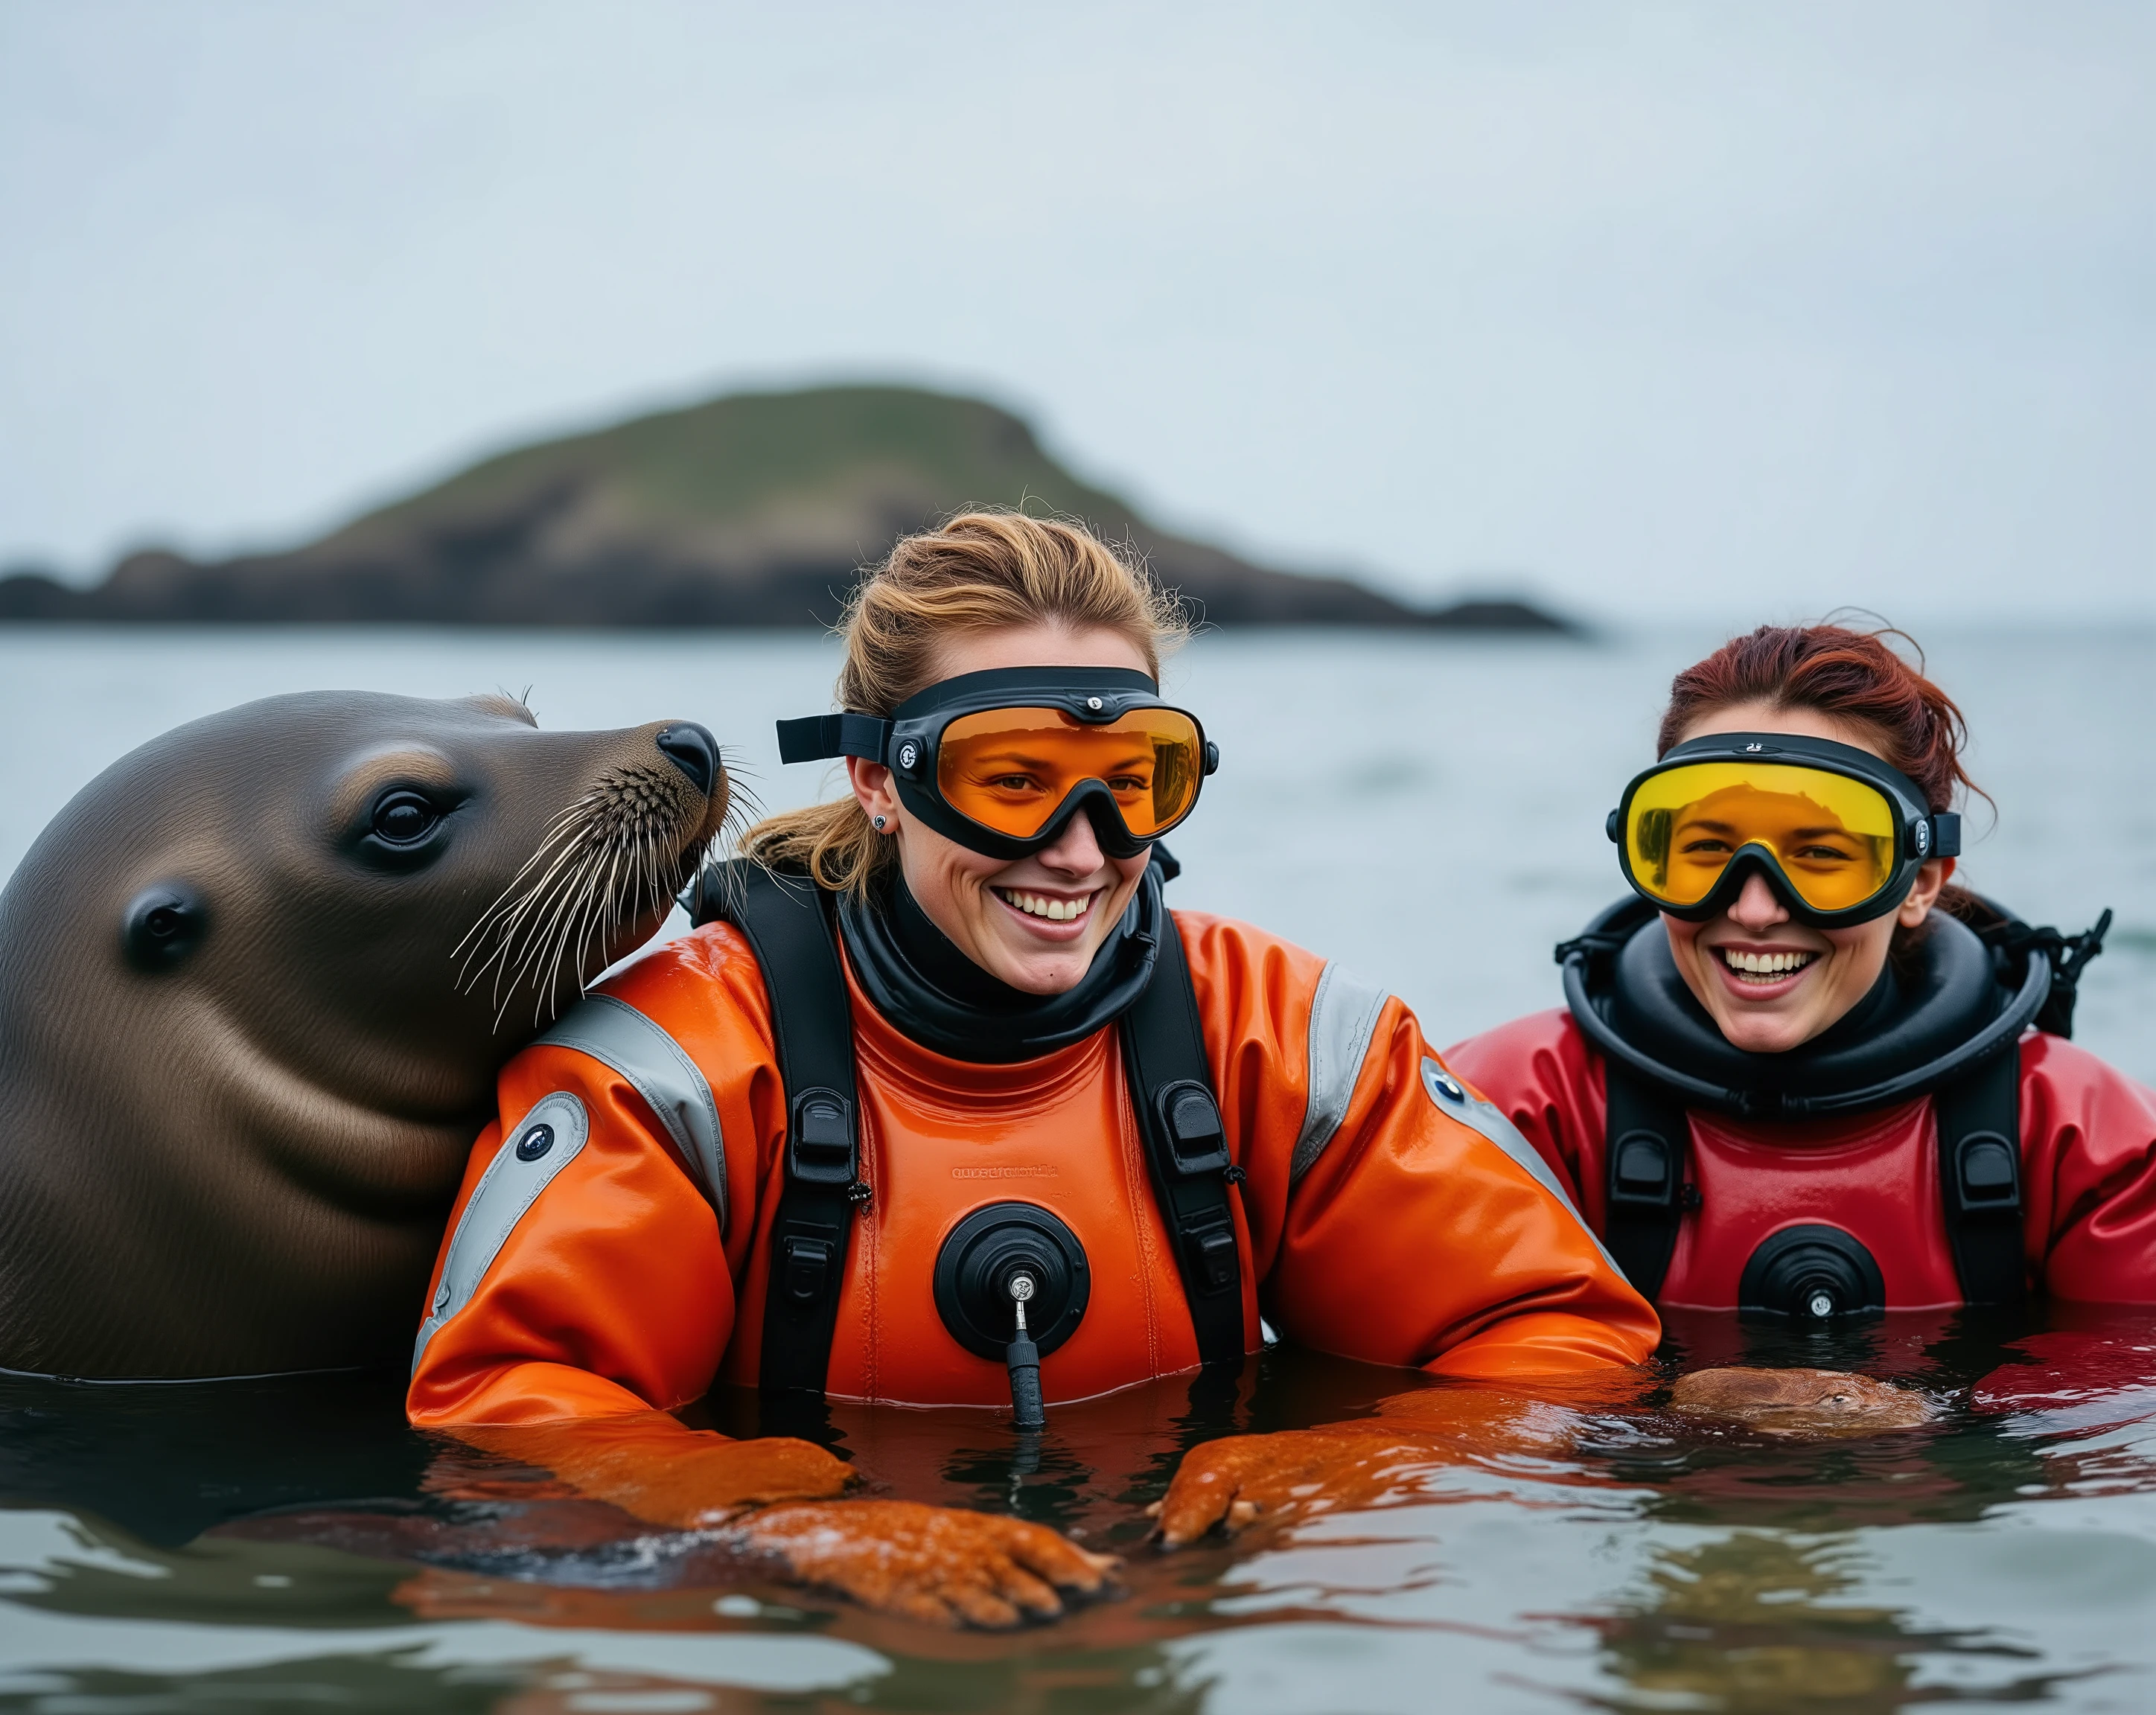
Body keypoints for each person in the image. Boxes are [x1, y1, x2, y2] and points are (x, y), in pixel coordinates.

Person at [407, 511, 1659, 1624]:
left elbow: (1562, 1336)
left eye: (1132, 782)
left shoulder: (1281, 1034)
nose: (1077, 848)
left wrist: (1363, 1460)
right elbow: (509, 1409)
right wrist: (792, 1521)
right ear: (873, 777)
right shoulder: (678, 1066)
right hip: (823, 1630)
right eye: (1009, 779)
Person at [1447, 623, 2154, 1318]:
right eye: (1707, 849)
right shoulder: (1512, 1110)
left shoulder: (2083, 1140)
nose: (1754, 908)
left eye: (1819, 855)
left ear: (1920, 884)